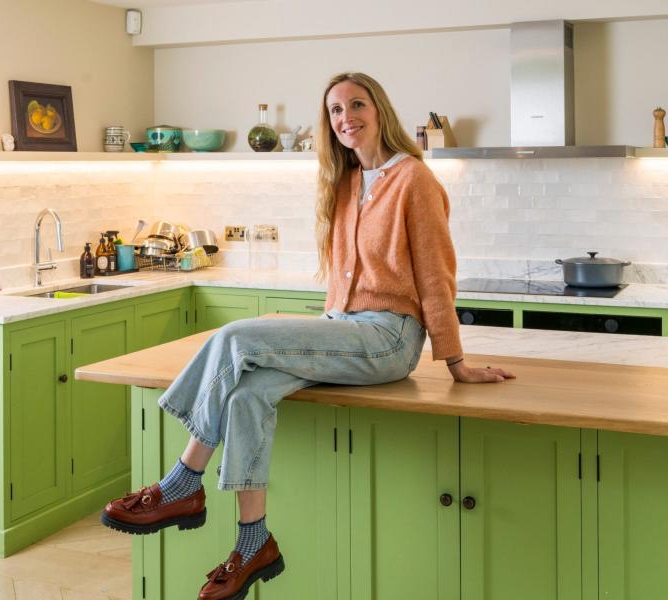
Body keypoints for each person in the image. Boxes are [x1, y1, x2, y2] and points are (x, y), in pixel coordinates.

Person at [99, 72, 516, 600]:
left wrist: (455, 361)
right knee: (247, 393)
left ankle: (183, 483)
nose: (346, 118)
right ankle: (254, 543)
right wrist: (322, 333)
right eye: (336, 111)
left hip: (389, 339)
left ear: (379, 109)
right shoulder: (344, 183)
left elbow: (436, 276)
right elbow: (343, 281)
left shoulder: (414, 180)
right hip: (343, 331)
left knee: (236, 339)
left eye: (356, 105)